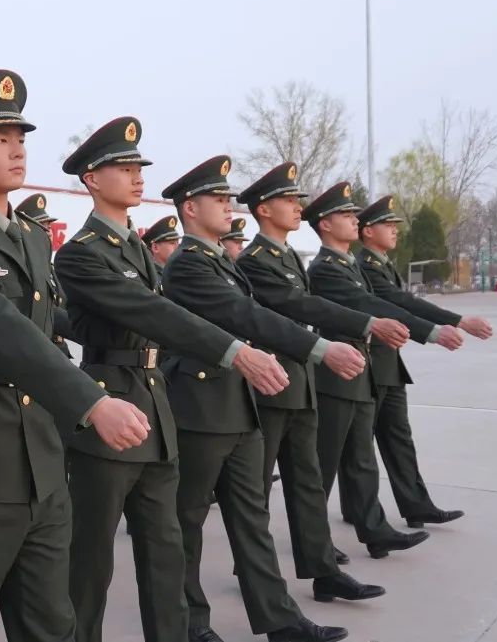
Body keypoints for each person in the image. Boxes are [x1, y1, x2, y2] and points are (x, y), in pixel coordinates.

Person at [0, 69, 152, 642]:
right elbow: (3, 331)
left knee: (52, 624)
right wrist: (92, 401)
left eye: (20, 138)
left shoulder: (33, 237)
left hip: (41, 458)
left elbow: (46, 333)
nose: (17, 150)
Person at [54, 117, 299, 642]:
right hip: (109, 405)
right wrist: (236, 352)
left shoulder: (138, 251)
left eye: (138, 167)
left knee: (166, 555)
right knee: (91, 561)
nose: (138, 176)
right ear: (92, 179)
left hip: (154, 408)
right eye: (124, 168)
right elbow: (152, 313)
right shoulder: (80, 253)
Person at [161, 155, 357, 642]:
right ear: (190, 208)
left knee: (252, 522)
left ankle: (280, 620)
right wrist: (319, 348)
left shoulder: (220, 262)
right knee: (186, 521)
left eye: (229, 198)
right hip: (201, 409)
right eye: (219, 199)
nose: (229, 207)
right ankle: (190, 623)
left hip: (239, 405)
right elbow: (242, 315)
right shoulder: (188, 264)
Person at [234, 162, 396, 599]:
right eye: (288, 200)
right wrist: (366, 323)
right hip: (272, 385)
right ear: (264, 209)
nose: (296, 207)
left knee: (307, 484)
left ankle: (324, 574)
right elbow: (298, 307)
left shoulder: (288, 256)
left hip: (301, 382)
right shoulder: (254, 262)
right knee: (255, 489)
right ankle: (250, 569)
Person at [302, 182, 459, 558]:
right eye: (346, 215)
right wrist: (433, 330)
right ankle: (313, 543)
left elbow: (381, 302)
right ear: (325, 224)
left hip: (360, 369)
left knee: (361, 459)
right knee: (323, 465)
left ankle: (374, 531)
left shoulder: (347, 266)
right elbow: (370, 304)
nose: (354, 220)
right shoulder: (325, 268)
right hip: (335, 375)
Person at [355, 195, 492, 527]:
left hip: (388, 367)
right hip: (367, 367)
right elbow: (400, 303)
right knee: (356, 450)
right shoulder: (365, 266)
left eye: (395, 225)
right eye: (387, 225)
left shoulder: (382, 264)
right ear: (368, 231)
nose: (395, 230)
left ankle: (416, 506)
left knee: (398, 440)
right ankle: (356, 512)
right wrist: (455, 322)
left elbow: (403, 302)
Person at [17, 192, 73, 356]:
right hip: (36, 352)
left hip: (58, 351)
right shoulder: (23, 267)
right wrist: (84, 331)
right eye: (40, 227)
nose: (48, 232)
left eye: (49, 227)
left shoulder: (50, 268)